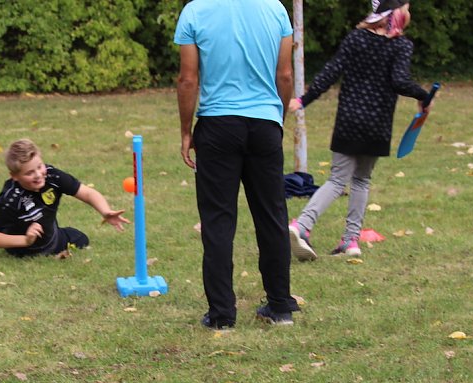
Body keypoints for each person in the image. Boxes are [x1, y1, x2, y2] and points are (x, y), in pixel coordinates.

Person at [175, 0, 299, 327]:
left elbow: (188, 80)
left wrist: (186, 131)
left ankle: (221, 316)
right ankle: (280, 306)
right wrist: (276, 119)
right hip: (264, 125)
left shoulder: (195, 11)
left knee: (218, 221)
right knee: (272, 215)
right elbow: (285, 75)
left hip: (217, 126)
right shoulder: (275, 9)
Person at [287, 0, 430, 261]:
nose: (408, 13)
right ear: (395, 13)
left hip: (349, 122)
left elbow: (331, 71)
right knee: (362, 180)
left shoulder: (356, 38)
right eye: (406, 8)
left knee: (337, 179)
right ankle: (350, 240)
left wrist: (304, 100)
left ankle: (302, 225)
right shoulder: (401, 45)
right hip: (378, 126)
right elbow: (399, 81)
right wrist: (423, 95)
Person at [0, 139, 129, 258]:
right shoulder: (10, 198)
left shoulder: (53, 177)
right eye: (29, 173)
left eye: (40, 166)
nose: (38, 175)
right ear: (14, 176)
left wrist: (105, 211)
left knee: (81, 238)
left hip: (54, 240)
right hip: (22, 251)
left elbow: (87, 193)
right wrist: (25, 240)